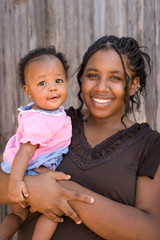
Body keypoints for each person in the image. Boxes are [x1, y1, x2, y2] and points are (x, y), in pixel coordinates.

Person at [1, 35, 160, 240]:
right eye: (93, 75)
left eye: (115, 77)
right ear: (81, 78)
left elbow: (151, 232)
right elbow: (5, 173)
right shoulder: (55, 122)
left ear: (133, 85)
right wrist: (33, 188)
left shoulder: (148, 144)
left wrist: (67, 194)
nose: (101, 87)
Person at [0, 46, 74, 240]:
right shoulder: (41, 121)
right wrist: (16, 183)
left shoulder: (48, 113)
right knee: (54, 214)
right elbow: (25, 151)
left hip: (28, 168)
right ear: (28, 91)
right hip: (26, 170)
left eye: (58, 81)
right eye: (42, 83)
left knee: (17, 215)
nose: (52, 87)